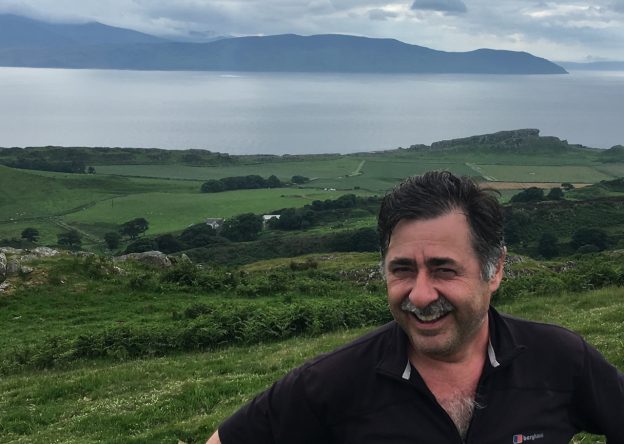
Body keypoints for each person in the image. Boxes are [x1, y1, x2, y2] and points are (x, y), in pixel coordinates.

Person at [207, 171, 624, 443]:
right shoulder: (330, 383)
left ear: (494, 270)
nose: (420, 295)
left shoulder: (561, 359)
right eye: (402, 269)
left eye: (444, 270)